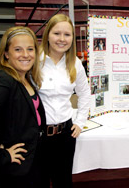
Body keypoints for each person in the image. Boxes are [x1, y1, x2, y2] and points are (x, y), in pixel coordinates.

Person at [0, 26, 46, 188]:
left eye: (30, 49)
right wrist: (1, 156)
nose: (25, 55)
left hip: (32, 162)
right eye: (18, 49)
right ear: (6, 54)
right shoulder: (2, 81)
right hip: (15, 170)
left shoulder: (27, 78)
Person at [38, 14, 91, 188]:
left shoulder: (75, 63)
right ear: (48, 35)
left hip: (65, 134)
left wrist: (80, 121)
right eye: (57, 33)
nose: (62, 39)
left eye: (67, 35)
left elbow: (84, 93)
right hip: (38, 135)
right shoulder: (34, 61)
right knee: (39, 181)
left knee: (63, 182)